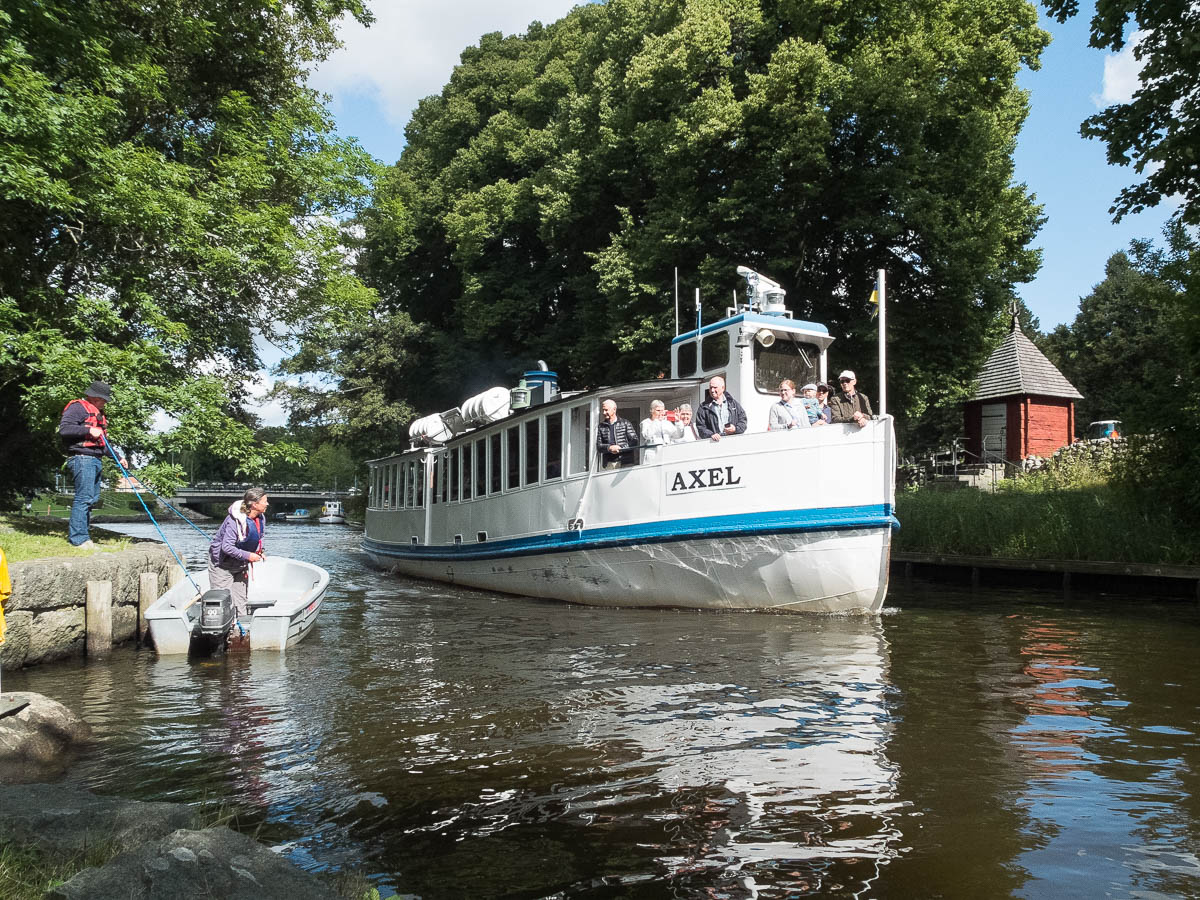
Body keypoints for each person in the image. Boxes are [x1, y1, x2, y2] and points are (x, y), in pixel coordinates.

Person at [58, 380, 126, 548]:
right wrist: (88, 430)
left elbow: (103, 444)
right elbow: (64, 429)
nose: (104, 403)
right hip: (82, 458)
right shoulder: (77, 408)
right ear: (94, 397)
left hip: (95, 459)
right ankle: (78, 539)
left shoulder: (99, 414)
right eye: (103, 400)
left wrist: (118, 458)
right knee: (84, 498)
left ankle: (84, 536)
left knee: (92, 499)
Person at [209, 487, 270, 627]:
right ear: (254, 504)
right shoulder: (234, 521)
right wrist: (248, 555)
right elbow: (227, 547)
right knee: (222, 601)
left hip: (240, 564)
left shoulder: (261, 518)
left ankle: (241, 629)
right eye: (265, 501)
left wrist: (259, 551)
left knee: (240, 601)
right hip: (222, 565)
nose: (267, 504)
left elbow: (260, 537)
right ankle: (222, 631)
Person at [696, 375, 748, 441]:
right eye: (710, 387)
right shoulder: (703, 407)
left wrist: (735, 429)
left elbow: (743, 421)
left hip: (733, 442)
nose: (712, 390)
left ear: (723, 388)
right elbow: (700, 427)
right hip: (714, 444)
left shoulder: (733, 404)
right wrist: (711, 435)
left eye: (715, 387)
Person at [597, 399, 637, 468]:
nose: (604, 412)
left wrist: (620, 448)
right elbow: (599, 446)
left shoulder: (625, 423)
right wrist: (609, 448)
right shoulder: (601, 426)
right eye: (603, 410)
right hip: (609, 463)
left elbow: (634, 441)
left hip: (625, 462)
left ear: (614, 409)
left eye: (606, 410)